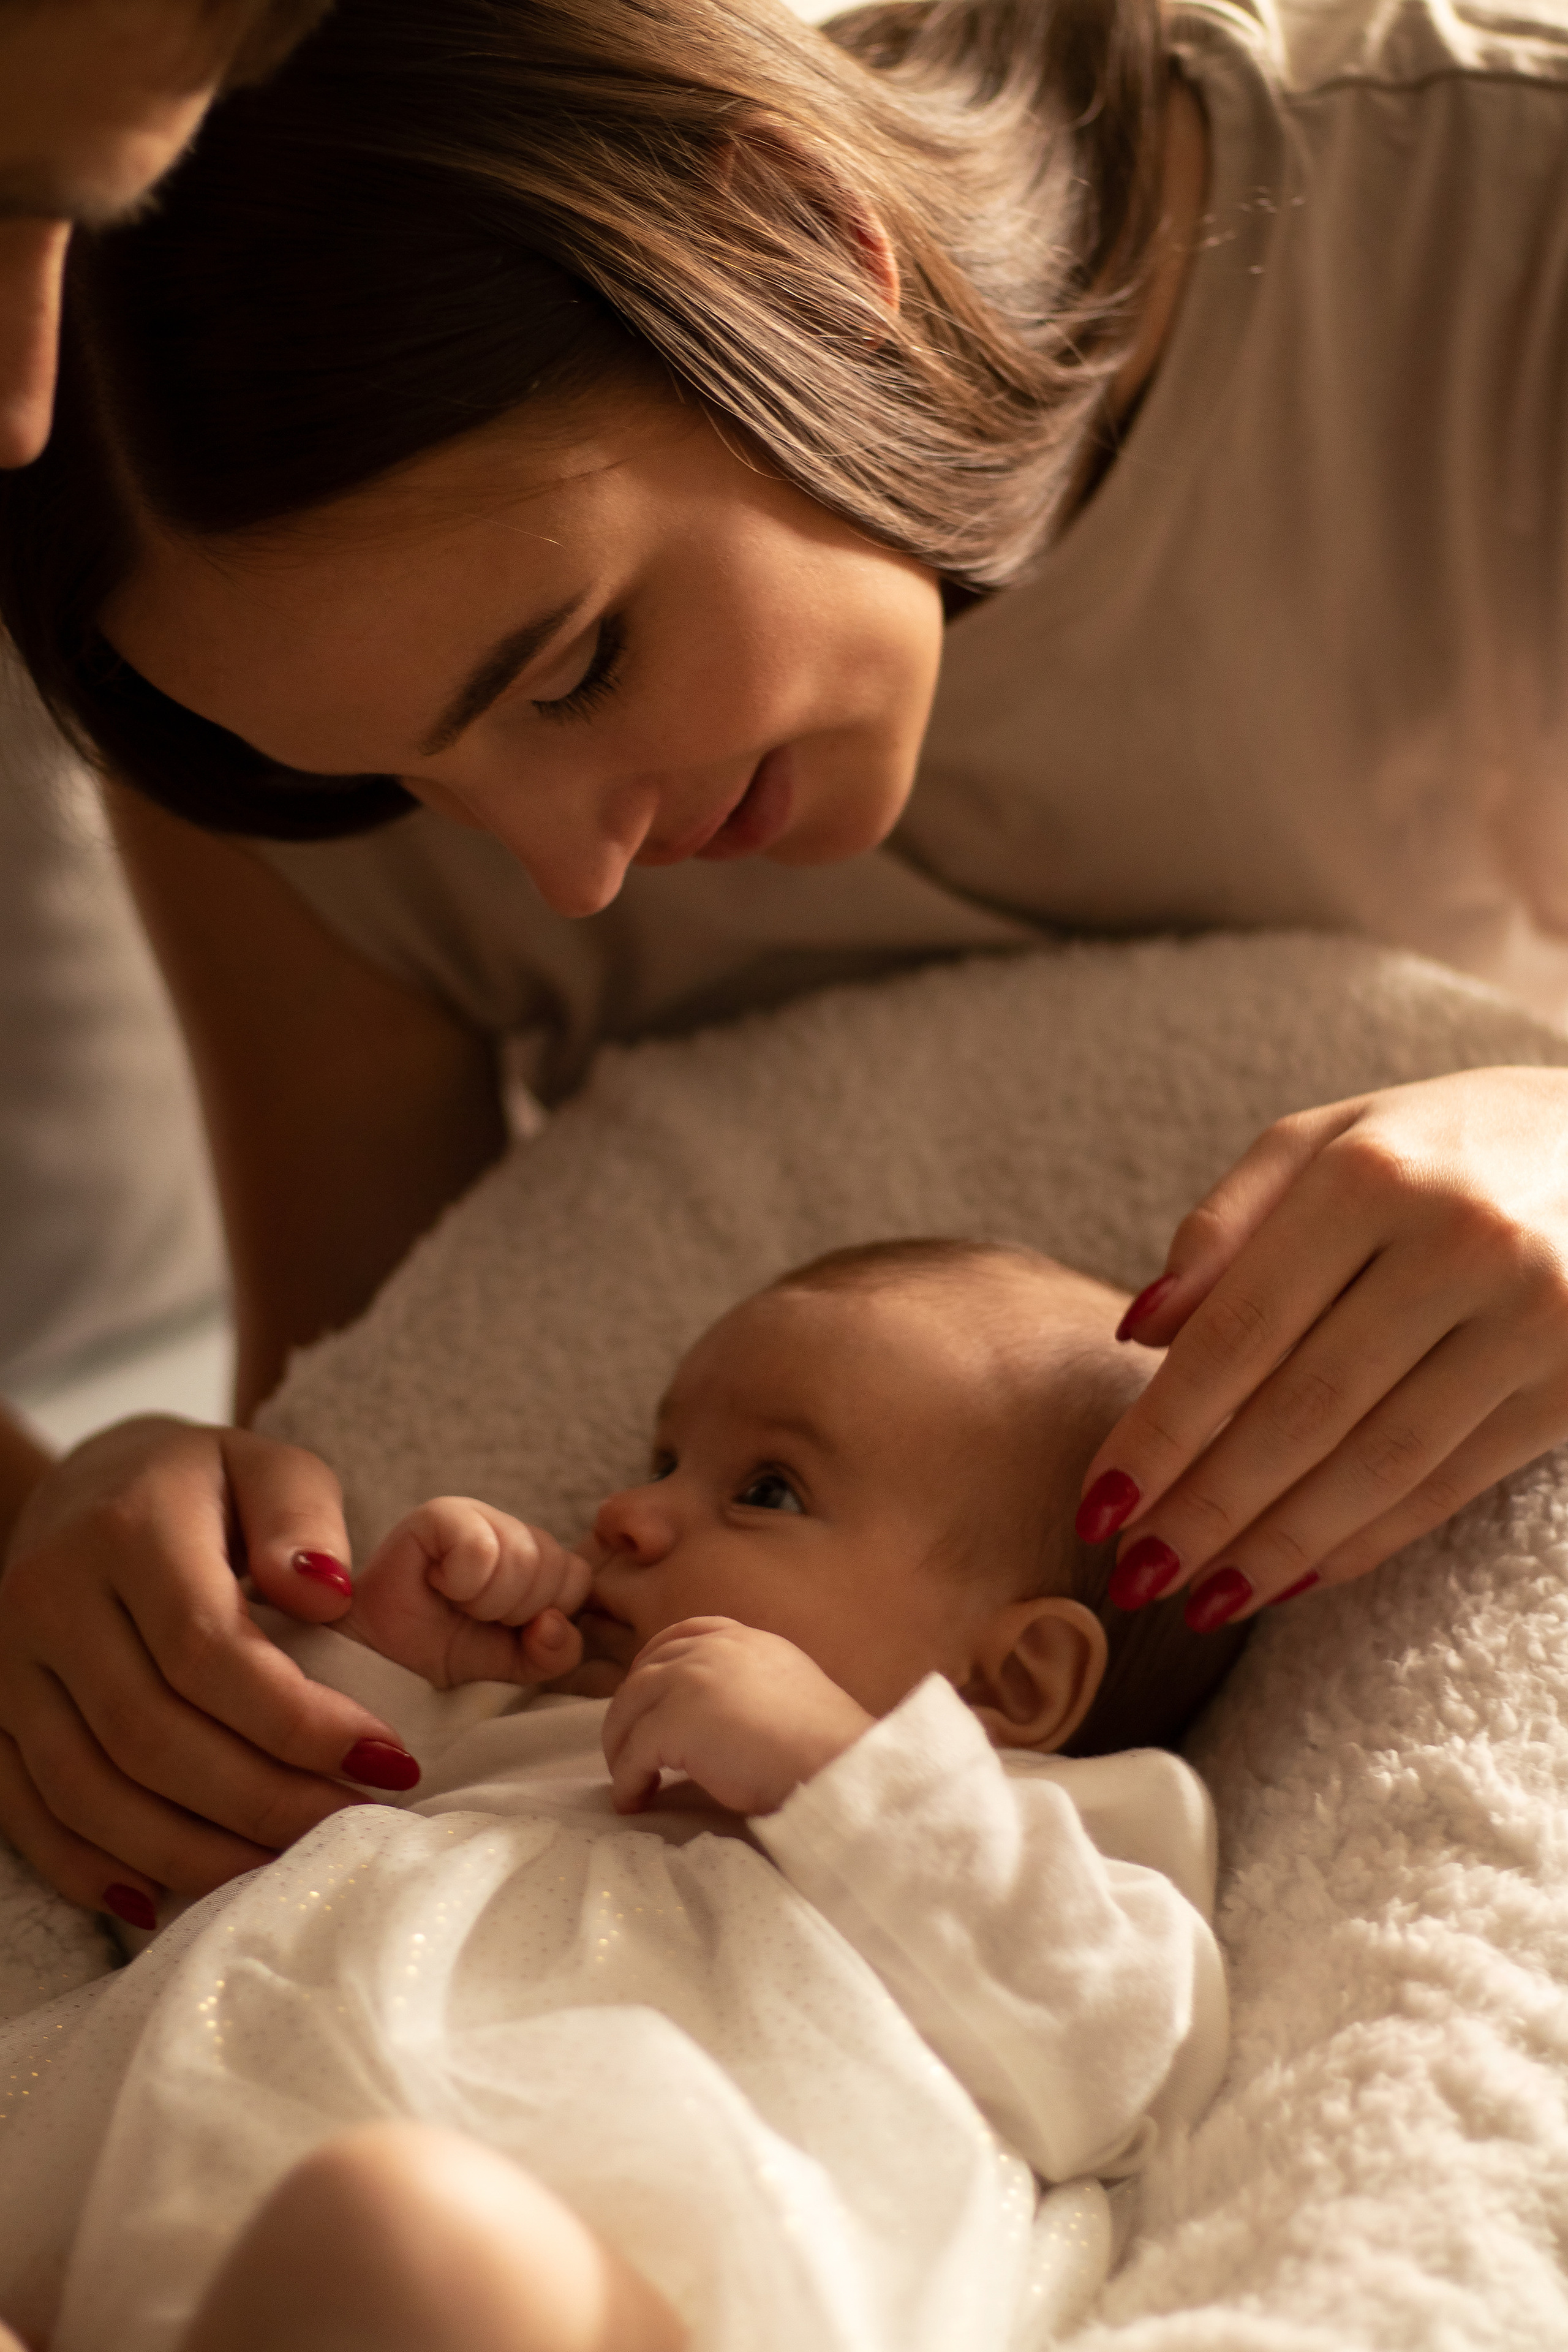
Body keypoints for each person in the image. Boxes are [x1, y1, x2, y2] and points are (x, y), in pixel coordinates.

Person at [6, 0, 1568, 1924]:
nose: (570, 877)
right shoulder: (265, 751)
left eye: (577, 665)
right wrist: (159, 1522)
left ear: (807, 246)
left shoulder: (1507, 235)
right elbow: (383, 1407)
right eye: (401, 789)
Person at [0, 1240, 1234, 2352]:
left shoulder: (1027, 1836)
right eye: (662, 1460)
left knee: (411, 2237)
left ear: (1009, 1681)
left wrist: (837, 1770)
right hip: (151, 2269)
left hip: (604, 2301)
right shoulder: (536, 1734)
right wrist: (373, 1646)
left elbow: (1115, 2068)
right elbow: (204, 1798)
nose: (626, 1515)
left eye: (766, 1490)